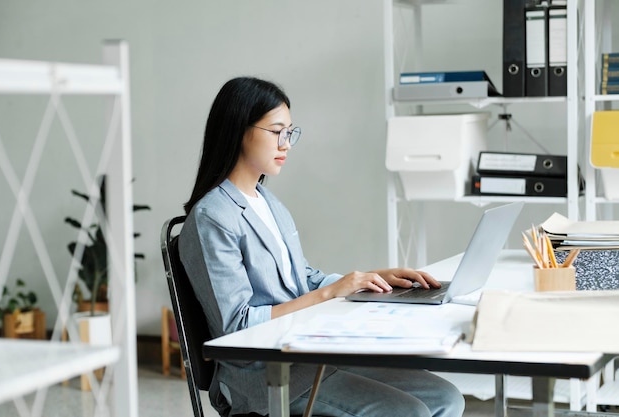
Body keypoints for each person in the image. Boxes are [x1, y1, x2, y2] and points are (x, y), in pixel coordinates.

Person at [179, 76, 465, 417]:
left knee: (447, 397)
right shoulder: (213, 217)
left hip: (309, 352)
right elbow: (237, 326)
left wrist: (367, 279)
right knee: (409, 412)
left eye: (290, 133)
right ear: (240, 129)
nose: (286, 144)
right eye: (277, 131)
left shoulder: (268, 202)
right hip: (263, 375)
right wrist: (331, 293)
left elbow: (303, 278)